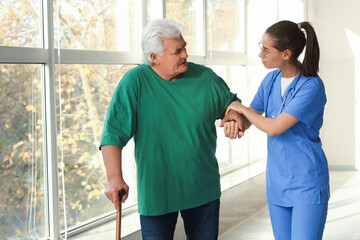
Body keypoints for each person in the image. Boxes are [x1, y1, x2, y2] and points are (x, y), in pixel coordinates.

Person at [99, 18, 245, 240]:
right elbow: (113, 135)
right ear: (154, 58)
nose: (185, 54)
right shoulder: (135, 82)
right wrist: (114, 178)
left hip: (202, 188)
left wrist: (233, 116)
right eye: (177, 51)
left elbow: (232, 105)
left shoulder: (205, 78)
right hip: (158, 191)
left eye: (184, 47)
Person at [221, 20, 330, 239]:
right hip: (278, 183)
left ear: (286, 54)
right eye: (260, 47)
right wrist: (234, 116)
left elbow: (274, 128)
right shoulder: (271, 80)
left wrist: (240, 108)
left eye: (266, 50)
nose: (260, 55)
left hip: (306, 183)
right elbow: (251, 117)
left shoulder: (311, 86)